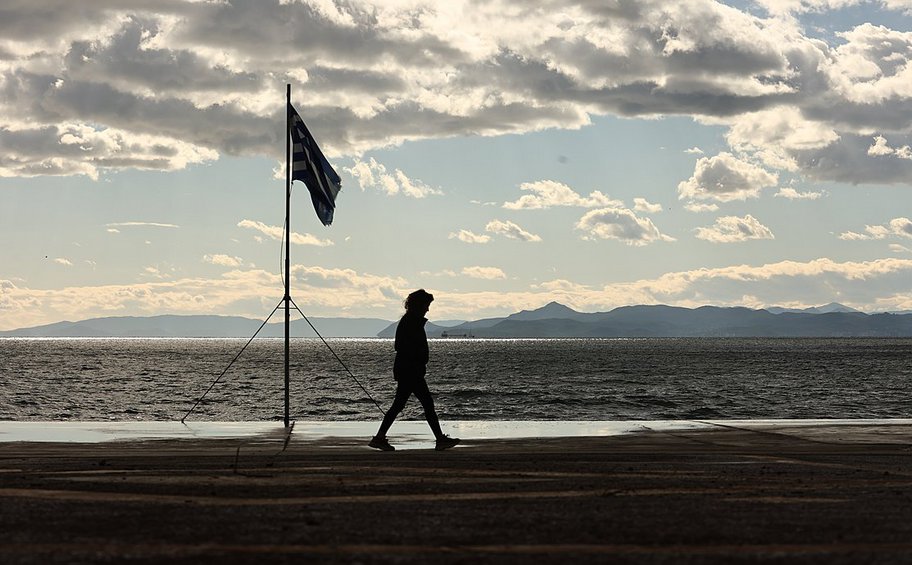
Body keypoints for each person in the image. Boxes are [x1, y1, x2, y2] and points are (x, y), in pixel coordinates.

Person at [370, 289, 460, 451]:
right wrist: (417, 359)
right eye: (426, 305)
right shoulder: (410, 322)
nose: (428, 309)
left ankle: (379, 437)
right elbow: (401, 346)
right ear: (419, 305)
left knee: (400, 405)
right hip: (411, 371)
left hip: (410, 370)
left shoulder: (411, 321)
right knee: (426, 404)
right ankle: (439, 439)